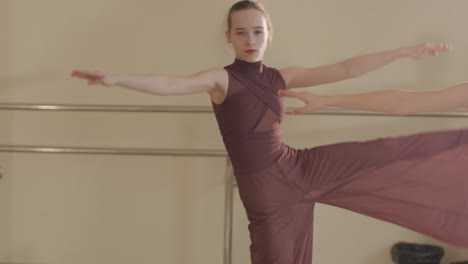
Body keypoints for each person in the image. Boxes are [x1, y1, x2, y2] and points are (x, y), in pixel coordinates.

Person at [71, 1, 468, 263]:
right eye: (241, 32)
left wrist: (401, 52)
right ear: (228, 37)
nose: (250, 40)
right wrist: (115, 79)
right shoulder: (220, 79)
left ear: (269, 34)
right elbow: (169, 84)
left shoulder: (282, 76)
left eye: (258, 31)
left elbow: (346, 69)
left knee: (379, 156)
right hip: (265, 189)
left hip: (299, 167)